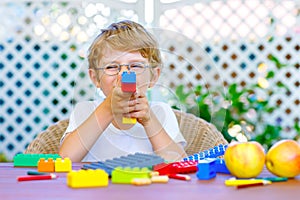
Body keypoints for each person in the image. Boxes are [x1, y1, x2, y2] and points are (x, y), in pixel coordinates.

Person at [59, 20, 187, 162]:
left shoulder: (161, 113)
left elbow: (179, 164)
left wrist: (149, 120)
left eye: (136, 66)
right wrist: (108, 109)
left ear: (154, 76)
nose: (124, 74)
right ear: (95, 78)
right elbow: (65, 159)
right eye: (112, 67)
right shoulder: (85, 111)